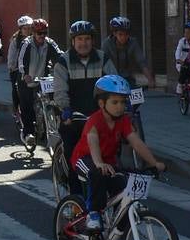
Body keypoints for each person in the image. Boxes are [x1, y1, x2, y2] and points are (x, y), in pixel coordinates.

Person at [71, 75, 167, 235]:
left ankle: (117, 233)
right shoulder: (95, 121)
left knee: (122, 188)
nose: (120, 107)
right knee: (96, 175)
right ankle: (93, 214)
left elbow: (136, 142)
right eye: (114, 102)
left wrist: (154, 163)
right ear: (102, 103)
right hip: (86, 159)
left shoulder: (123, 121)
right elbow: (93, 142)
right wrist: (99, 163)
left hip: (109, 162)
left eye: (123, 102)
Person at [53, 20, 118, 163]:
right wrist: (65, 109)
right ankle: (72, 183)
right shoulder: (63, 62)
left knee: (112, 151)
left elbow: (115, 83)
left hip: (99, 116)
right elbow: (60, 90)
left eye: (87, 39)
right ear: (73, 41)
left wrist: (123, 104)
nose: (84, 43)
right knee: (73, 157)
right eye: (79, 39)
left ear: (92, 40)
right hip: (74, 117)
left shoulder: (103, 58)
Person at [16, 18, 63, 144]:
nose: (42, 36)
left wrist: (65, 67)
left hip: (43, 78)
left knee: (53, 101)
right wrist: (25, 74)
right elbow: (20, 62)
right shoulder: (26, 43)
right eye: (39, 33)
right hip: (26, 79)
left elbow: (60, 56)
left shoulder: (49, 43)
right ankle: (28, 133)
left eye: (44, 33)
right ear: (33, 33)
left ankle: (53, 126)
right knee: (27, 106)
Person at [102, 16, 155, 88]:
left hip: (128, 77)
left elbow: (141, 62)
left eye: (126, 34)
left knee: (133, 93)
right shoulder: (107, 44)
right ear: (114, 33)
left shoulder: (133, 42)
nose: (123, 37)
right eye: (120, 34)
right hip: (111, 78)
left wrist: (150, 80)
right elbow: (104, 64)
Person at [7, 15, 35, 129]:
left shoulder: (35, 39)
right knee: (16, 88)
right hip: (18, 69)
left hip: (33, 69)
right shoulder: (15, 41)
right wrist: (13, 67)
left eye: (29, 28)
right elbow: (12, 56)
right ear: (20, 29)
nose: (27, 30)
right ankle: (16, 110)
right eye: (25, 28)